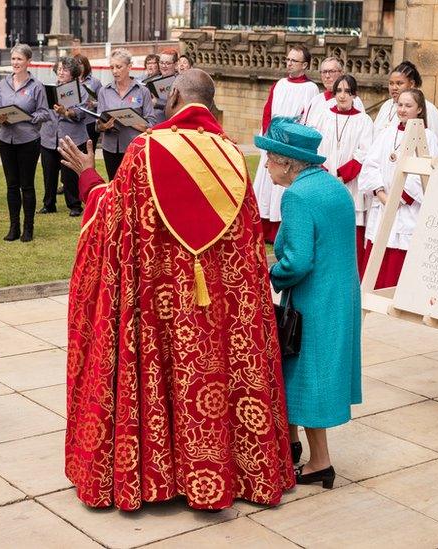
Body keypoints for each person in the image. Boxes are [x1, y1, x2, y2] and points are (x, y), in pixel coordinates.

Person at [58, 68, 295, 511]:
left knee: (158, 372)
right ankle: (235, 469)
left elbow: (113, 218)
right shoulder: (233, 156)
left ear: (172, 97)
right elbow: (246, 244)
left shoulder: (145, 150)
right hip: (217, 311)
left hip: (157, 303)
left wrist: (89, 178)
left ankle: (154, 476)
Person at [258, 117, 361, 488]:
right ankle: (292, 445)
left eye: (268, 158)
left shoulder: (297, 195)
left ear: (286, 162)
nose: (265, 165)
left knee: (305, 374)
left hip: (313, 300)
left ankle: (319, 462)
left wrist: (268, 276)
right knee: (301, 375)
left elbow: (298, 261)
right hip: (340, 297)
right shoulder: (333, 187)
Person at [359, 88, 438, 288]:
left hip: (406, 210)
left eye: (408, 105)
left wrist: (398, 198)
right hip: (383, 203)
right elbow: (370, 165)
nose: (402, 109)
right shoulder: (387, 133)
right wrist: (381, 192)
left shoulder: (428, 137)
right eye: (400, 105)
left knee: (398, 264)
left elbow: (426, 172)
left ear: (419, 109)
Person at [307, 75, 374, 272]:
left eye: (347, 91)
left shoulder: (364, 121)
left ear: (354, 94)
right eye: (339, 91)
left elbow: (364, 153)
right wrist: (325, 174)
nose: (342, 96)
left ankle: (349, 272)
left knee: (349, 231)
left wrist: (343, 176)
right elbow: (314, 147)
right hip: (324, 180)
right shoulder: (323, 116)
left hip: (350, 185)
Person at [252, 46, 319, 243]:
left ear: (305, 65)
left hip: (291, 147)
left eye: (294, 60)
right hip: (273, 142)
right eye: (287, 59)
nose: (289, 63)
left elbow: (307, 117)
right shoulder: (279, 84)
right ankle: (264, 228)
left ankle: (280, 229)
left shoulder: (310, 89)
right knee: (267, 184)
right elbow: (268, 111)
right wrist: (268, 137)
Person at [0, 44, 50, 242]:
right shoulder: (3, 84)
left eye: (19, 59)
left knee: (26, 185)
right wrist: (0, 117)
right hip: (6, 139)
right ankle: (13, 227)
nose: (16, 63)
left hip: (28, 140)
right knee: (11, 185)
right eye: (13, 59)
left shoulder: (37, 86)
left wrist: (26, 117)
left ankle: (28, 228)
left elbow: (44, 113)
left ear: (28, 62)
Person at [96, 48, 155, 180]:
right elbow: (98, 123)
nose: (115, 71)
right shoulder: (104, 91)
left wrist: (128, 119)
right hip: (110, 148)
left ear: (129, 67)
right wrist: (103, 126)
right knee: (114, 186)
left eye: (118, 67)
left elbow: (151, 124)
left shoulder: (142, 91)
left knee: (134, 187)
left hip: (134, 148)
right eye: (112, 67)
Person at [38, 56, 86, 217]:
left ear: (72, 73)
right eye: (59, 69)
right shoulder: (49, 89)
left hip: (71, 137)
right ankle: (49, 204)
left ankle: (74, 205)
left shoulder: (81, 89)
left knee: (70, 173)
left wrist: (66, 112)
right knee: (49, 172)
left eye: (64, 69)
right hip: (49, 135)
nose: (61, 72)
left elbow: (81, 112)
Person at [373, 61, 438, 157]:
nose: (394, 87)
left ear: (412, 84)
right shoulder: (386, 106)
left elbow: (437, 145)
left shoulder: (429, 108)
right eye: (391, 83)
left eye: (399, 83)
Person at [300, 56, 365, 123]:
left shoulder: (353, 100)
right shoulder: (315, 101)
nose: (327, 76)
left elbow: (360, 125)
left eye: (332, 71)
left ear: (341, 73)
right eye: (324, 72)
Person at [76, 54, 102, 145]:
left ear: (85, 65)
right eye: (76, 64)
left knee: (90, 150)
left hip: (89, 121)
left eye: (80, 64)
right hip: (74, 121)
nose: (78, 67)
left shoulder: (95, 82)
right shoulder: (70, 81)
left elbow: (103, 102)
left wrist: (94, 104)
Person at [150, 48, 179, 125]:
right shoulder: (152, 81)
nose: (163, 66)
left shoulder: (181, 82)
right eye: (161, 62)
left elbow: (180, 107)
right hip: (152, 125)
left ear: (175, 65)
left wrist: (158, 103)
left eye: (167, 63)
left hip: (172, 126)